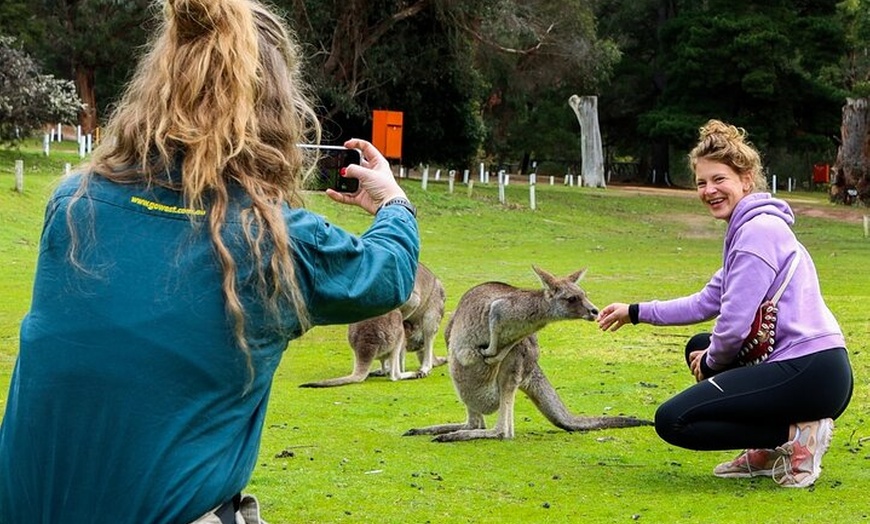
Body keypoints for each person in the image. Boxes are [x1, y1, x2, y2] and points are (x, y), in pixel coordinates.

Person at [0, 1, 419, 522]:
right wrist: (392, 203)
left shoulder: (73, 205)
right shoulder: (269, 238)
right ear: (274, 110)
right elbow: (392, 273)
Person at [598, 119, 853, 489]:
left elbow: (733, 327)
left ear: (746, 179)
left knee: (674, 420)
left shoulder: (757, 233)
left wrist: (712, 363)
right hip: (814, 371)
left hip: (810, 371)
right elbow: (706, 302)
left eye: (719, 179)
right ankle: (770, 451)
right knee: (698, 345)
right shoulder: (752, 230)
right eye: (702, 182)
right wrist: (635, 312)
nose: (709, 190)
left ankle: (798, 434)